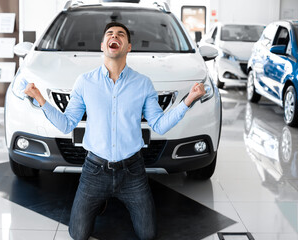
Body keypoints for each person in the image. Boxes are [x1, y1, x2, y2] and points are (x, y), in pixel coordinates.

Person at [24, 22, 206, 240]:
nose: (115, 36)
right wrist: (40, 98)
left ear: (128, 47)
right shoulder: (85, 82)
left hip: (133, 172)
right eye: (110, 34)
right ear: (103, 45)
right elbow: (67, 124)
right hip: (94, 171)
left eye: (121, 34)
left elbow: (159, 125)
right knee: (78, 234)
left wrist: (188, 100)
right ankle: (98, 202)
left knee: (147, 235)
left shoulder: (143, 83)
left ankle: (106, 200)